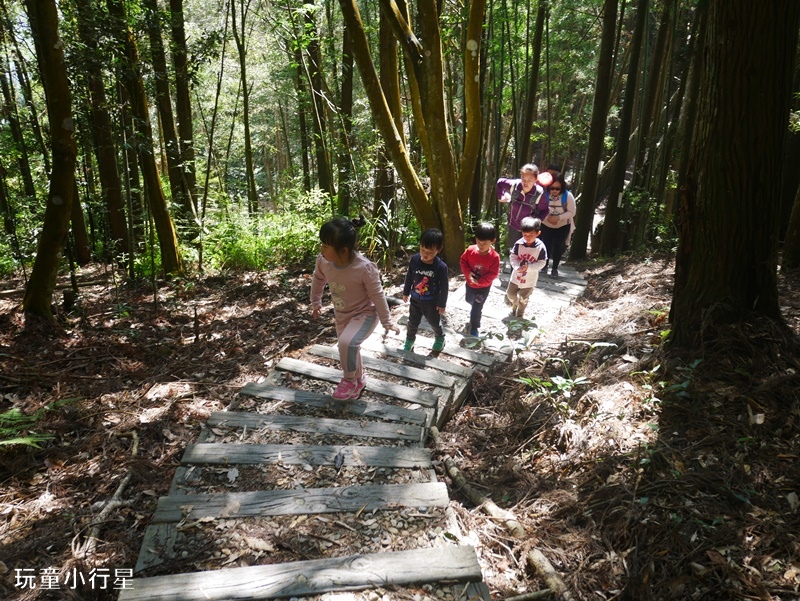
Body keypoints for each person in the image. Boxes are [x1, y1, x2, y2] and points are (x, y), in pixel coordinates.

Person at [310, 216, 400, 400]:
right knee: (349, 347)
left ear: (343, 250)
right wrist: (315, 302)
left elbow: (378, 295)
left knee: (346, 343)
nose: (322, 249)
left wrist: (387, 321)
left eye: (326, 246)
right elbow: (318, 279)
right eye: (322, 244)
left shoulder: (364, 268)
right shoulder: (324, 261)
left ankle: (348, 380)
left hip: (365, 314)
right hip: (342, 315)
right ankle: (359, 380)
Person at [402, 228, 449, 353]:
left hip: (431, 302)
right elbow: (410, 276)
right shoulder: (415, 260)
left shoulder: (440, 267)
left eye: (430, 252)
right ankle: (409, 340)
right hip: (415, 299)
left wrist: (441, 303)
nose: (425, 254)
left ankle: (440, 337)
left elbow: (444, 287)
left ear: (438, 250)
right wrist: (406, 291)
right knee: (412, 322)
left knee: (434, 322)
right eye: (422, 249)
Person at [459, 222, 500, 337]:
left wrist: (481, 282)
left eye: (485, 243)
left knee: (477, 307)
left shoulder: (494, 257)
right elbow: (463, 262)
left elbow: (493, 273)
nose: (481, 245)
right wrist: (468, 274)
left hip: (483, 288)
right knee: (469, 300)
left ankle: (474, 327)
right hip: (470, 284)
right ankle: (473, 310)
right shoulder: (470, 250)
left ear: (493, 241)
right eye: (478, 242)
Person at [496, 164, 548, 248]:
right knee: (514, 250)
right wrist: (500, 196)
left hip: (529, 229)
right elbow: (500, 182)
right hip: (513, 225)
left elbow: (545, 210)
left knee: (527, 252)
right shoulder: (514, 185)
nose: (525, 182)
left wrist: (537, 220)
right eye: (523, 179)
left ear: (535, 179)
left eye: (530, 180)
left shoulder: (539, 194)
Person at [506, 217, 547, 319]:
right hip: (516, 277)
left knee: (524, 298)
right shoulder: (518, 244)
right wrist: (516, 267)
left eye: (531, 235)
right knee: (510, 294)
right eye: (525, 235)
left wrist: (529, 267)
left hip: (530, 280)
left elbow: (542, 263)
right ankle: (515, 304)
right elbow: (513, 258)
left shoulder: (540, 247)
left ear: (538, 233)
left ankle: (520, 314)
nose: (527, 237)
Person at [539, 174, 576, 278]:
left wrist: (558, 218)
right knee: (546, 244)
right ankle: (544, 266)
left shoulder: (568, 196)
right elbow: (538, 209)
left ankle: (555, 268)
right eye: (552, 188)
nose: (554, 191)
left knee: (558, 246)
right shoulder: (543, 195)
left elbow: (572, 212)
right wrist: (548, 218)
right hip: (546, 224)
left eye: (557, 188)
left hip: (563, 225)